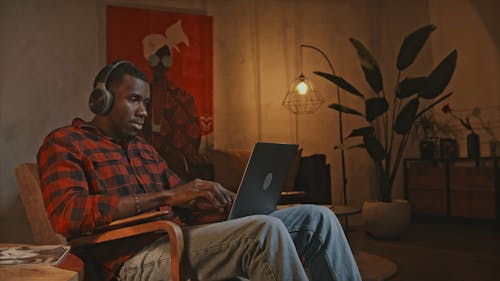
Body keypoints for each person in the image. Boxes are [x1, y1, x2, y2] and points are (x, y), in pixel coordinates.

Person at [37, 61, 361, 281]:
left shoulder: (144, 151)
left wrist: (220, 198)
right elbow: (68, 213)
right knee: (264, 232)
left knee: (318, 218)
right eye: (135, 100)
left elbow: (185, 199)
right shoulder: (65, 143)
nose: (144, 112)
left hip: (181, 238)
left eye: (146, 103)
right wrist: (166, 196)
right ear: (101, 100)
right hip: (132, 259)